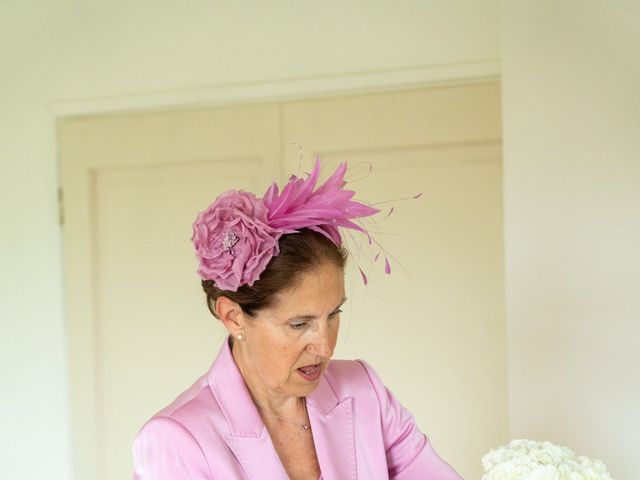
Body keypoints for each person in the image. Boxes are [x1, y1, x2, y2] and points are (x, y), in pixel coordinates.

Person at [132, 159, 462, 479]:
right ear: (233, 317)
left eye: (333, 314)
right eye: (299, 324)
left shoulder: (364, 391)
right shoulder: (177, 440)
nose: (324, 346)